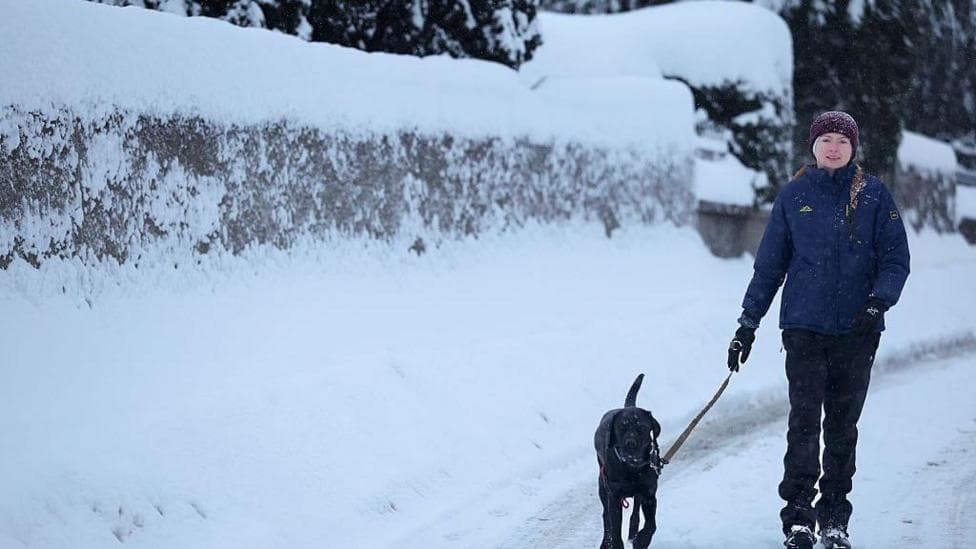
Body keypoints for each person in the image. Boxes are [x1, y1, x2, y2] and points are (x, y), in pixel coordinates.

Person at [726, 111, 910, 549]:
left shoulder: (874, 196)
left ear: (853, 148)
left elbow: (895, 259)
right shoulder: (794, 196)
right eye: (825, 139)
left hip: (857, 330)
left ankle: (834, 518)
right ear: (813, 146)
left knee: (843, 428)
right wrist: (746, 325)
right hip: (804, 328)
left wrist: (877, 302)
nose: (833, 147)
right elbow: (769, 266)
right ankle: (798, 519)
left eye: (842, 141)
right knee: (804, 424)